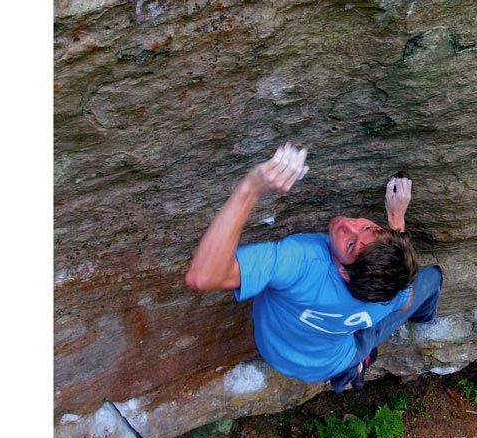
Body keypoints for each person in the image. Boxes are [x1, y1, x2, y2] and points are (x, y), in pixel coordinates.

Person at [185, 142, 442, 391]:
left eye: (350, 244)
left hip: (278, 353)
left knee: (373, 329)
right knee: (431, 279)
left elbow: (204, 276)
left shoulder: (303, 263)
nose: (346, 225)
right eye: (368, 227)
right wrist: (396, 219)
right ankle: (414, 324)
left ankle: (358, 365)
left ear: (345, 272)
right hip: (331, 360)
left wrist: (250, 189)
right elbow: (405, 300)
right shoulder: (386, 287)